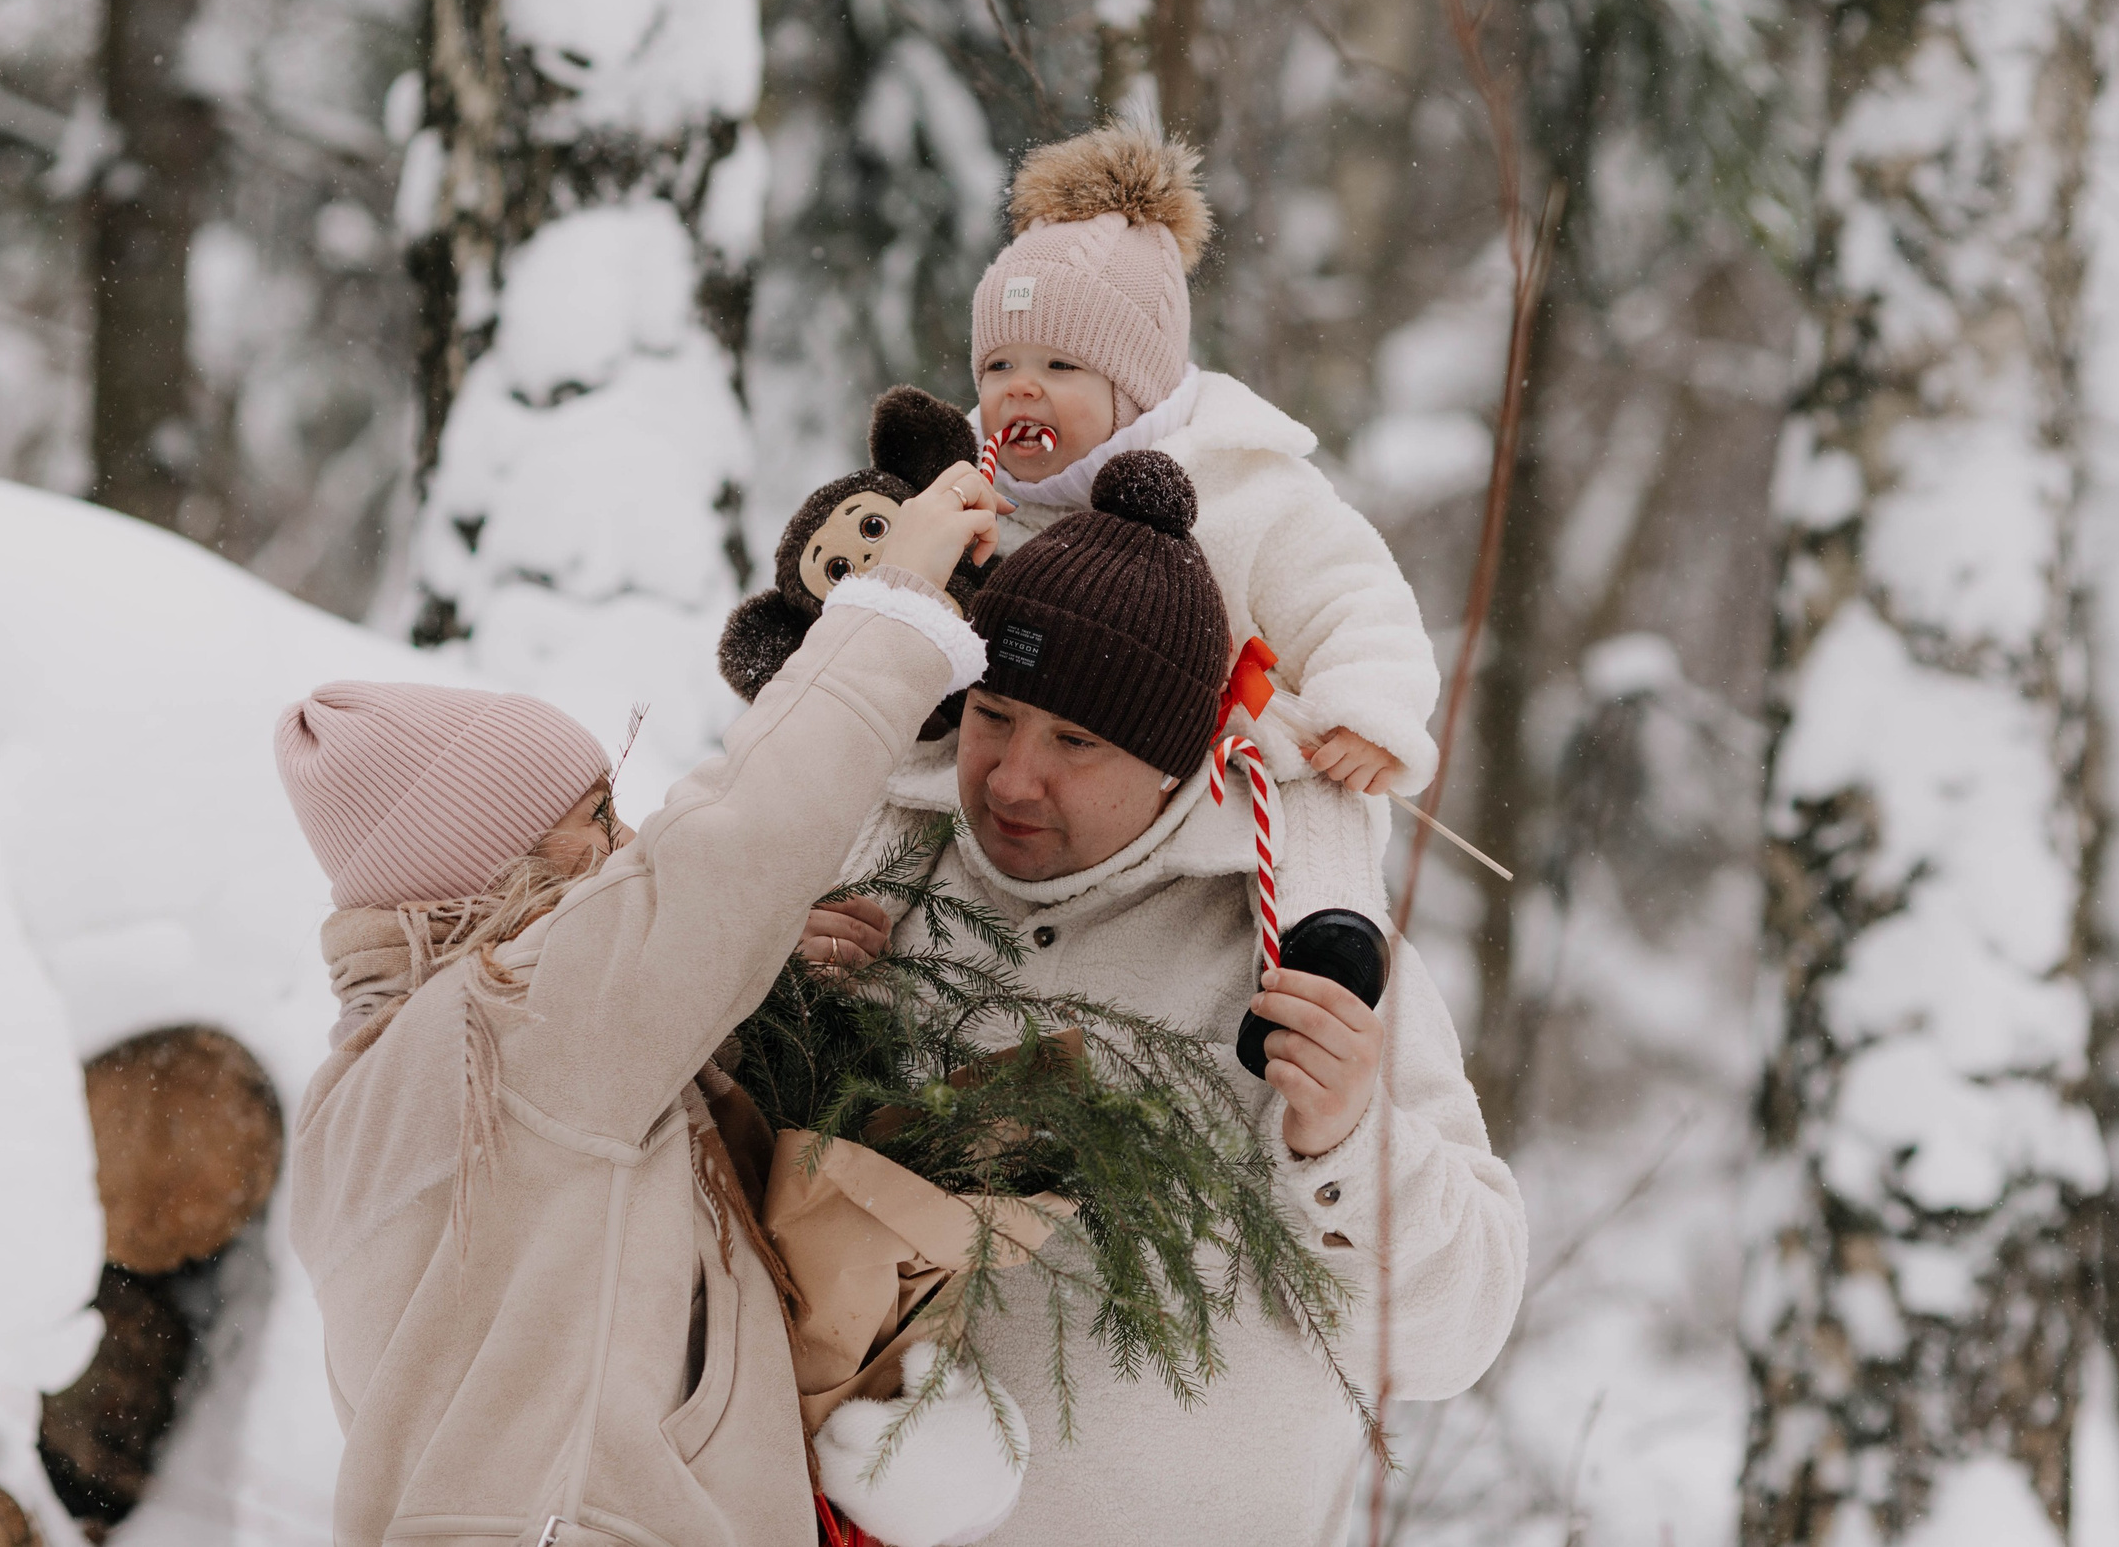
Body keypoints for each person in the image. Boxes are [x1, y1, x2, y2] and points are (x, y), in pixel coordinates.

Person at [808, 451, 1526, 1547]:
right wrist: (772, 993)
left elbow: (1451, 1338)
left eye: (1075, 741)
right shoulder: (871, 874)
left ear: (1175, 756)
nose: (1009, 776)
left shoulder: (1303, 947)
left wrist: (1348, 1144)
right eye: (994, 713)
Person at [278, 467, 1004, 1547]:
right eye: (594, 815)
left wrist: (741, 971)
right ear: (495, 866)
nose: (625, 842)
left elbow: (568, 1204)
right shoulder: (520, 1018)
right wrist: (890, 606)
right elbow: (730, 842)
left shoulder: (382, 1079)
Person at [965, 121, 1440, 828]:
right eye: (1001, 365)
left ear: (1137, 390)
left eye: (1061, 366)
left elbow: (1352, 597)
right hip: (1022, 817)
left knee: (1323, 833)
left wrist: (1370, 713)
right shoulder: (970, 496)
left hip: (1236, 809)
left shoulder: (1241, 486)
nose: (1021, 388)